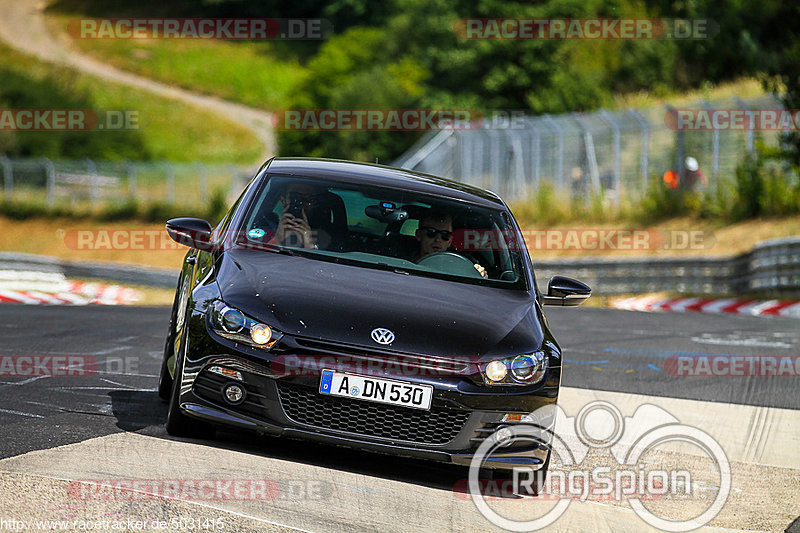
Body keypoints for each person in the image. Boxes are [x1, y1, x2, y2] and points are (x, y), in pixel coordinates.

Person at [413, 209, 488, 278]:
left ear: (450, 241)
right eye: (431, 232)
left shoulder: (463, 267)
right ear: (418, 235)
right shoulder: (403, 262)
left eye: (445, 235)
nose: (438, 240)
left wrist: (479, 275)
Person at [268, 182, 324, 249]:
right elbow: (259, 256)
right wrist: (277, 239)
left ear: (314, 203)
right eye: (295, 197)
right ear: (283, 201)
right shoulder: (265, 229)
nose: (301, 204)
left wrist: (310, 245)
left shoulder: (328, 236)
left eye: (308, 198)